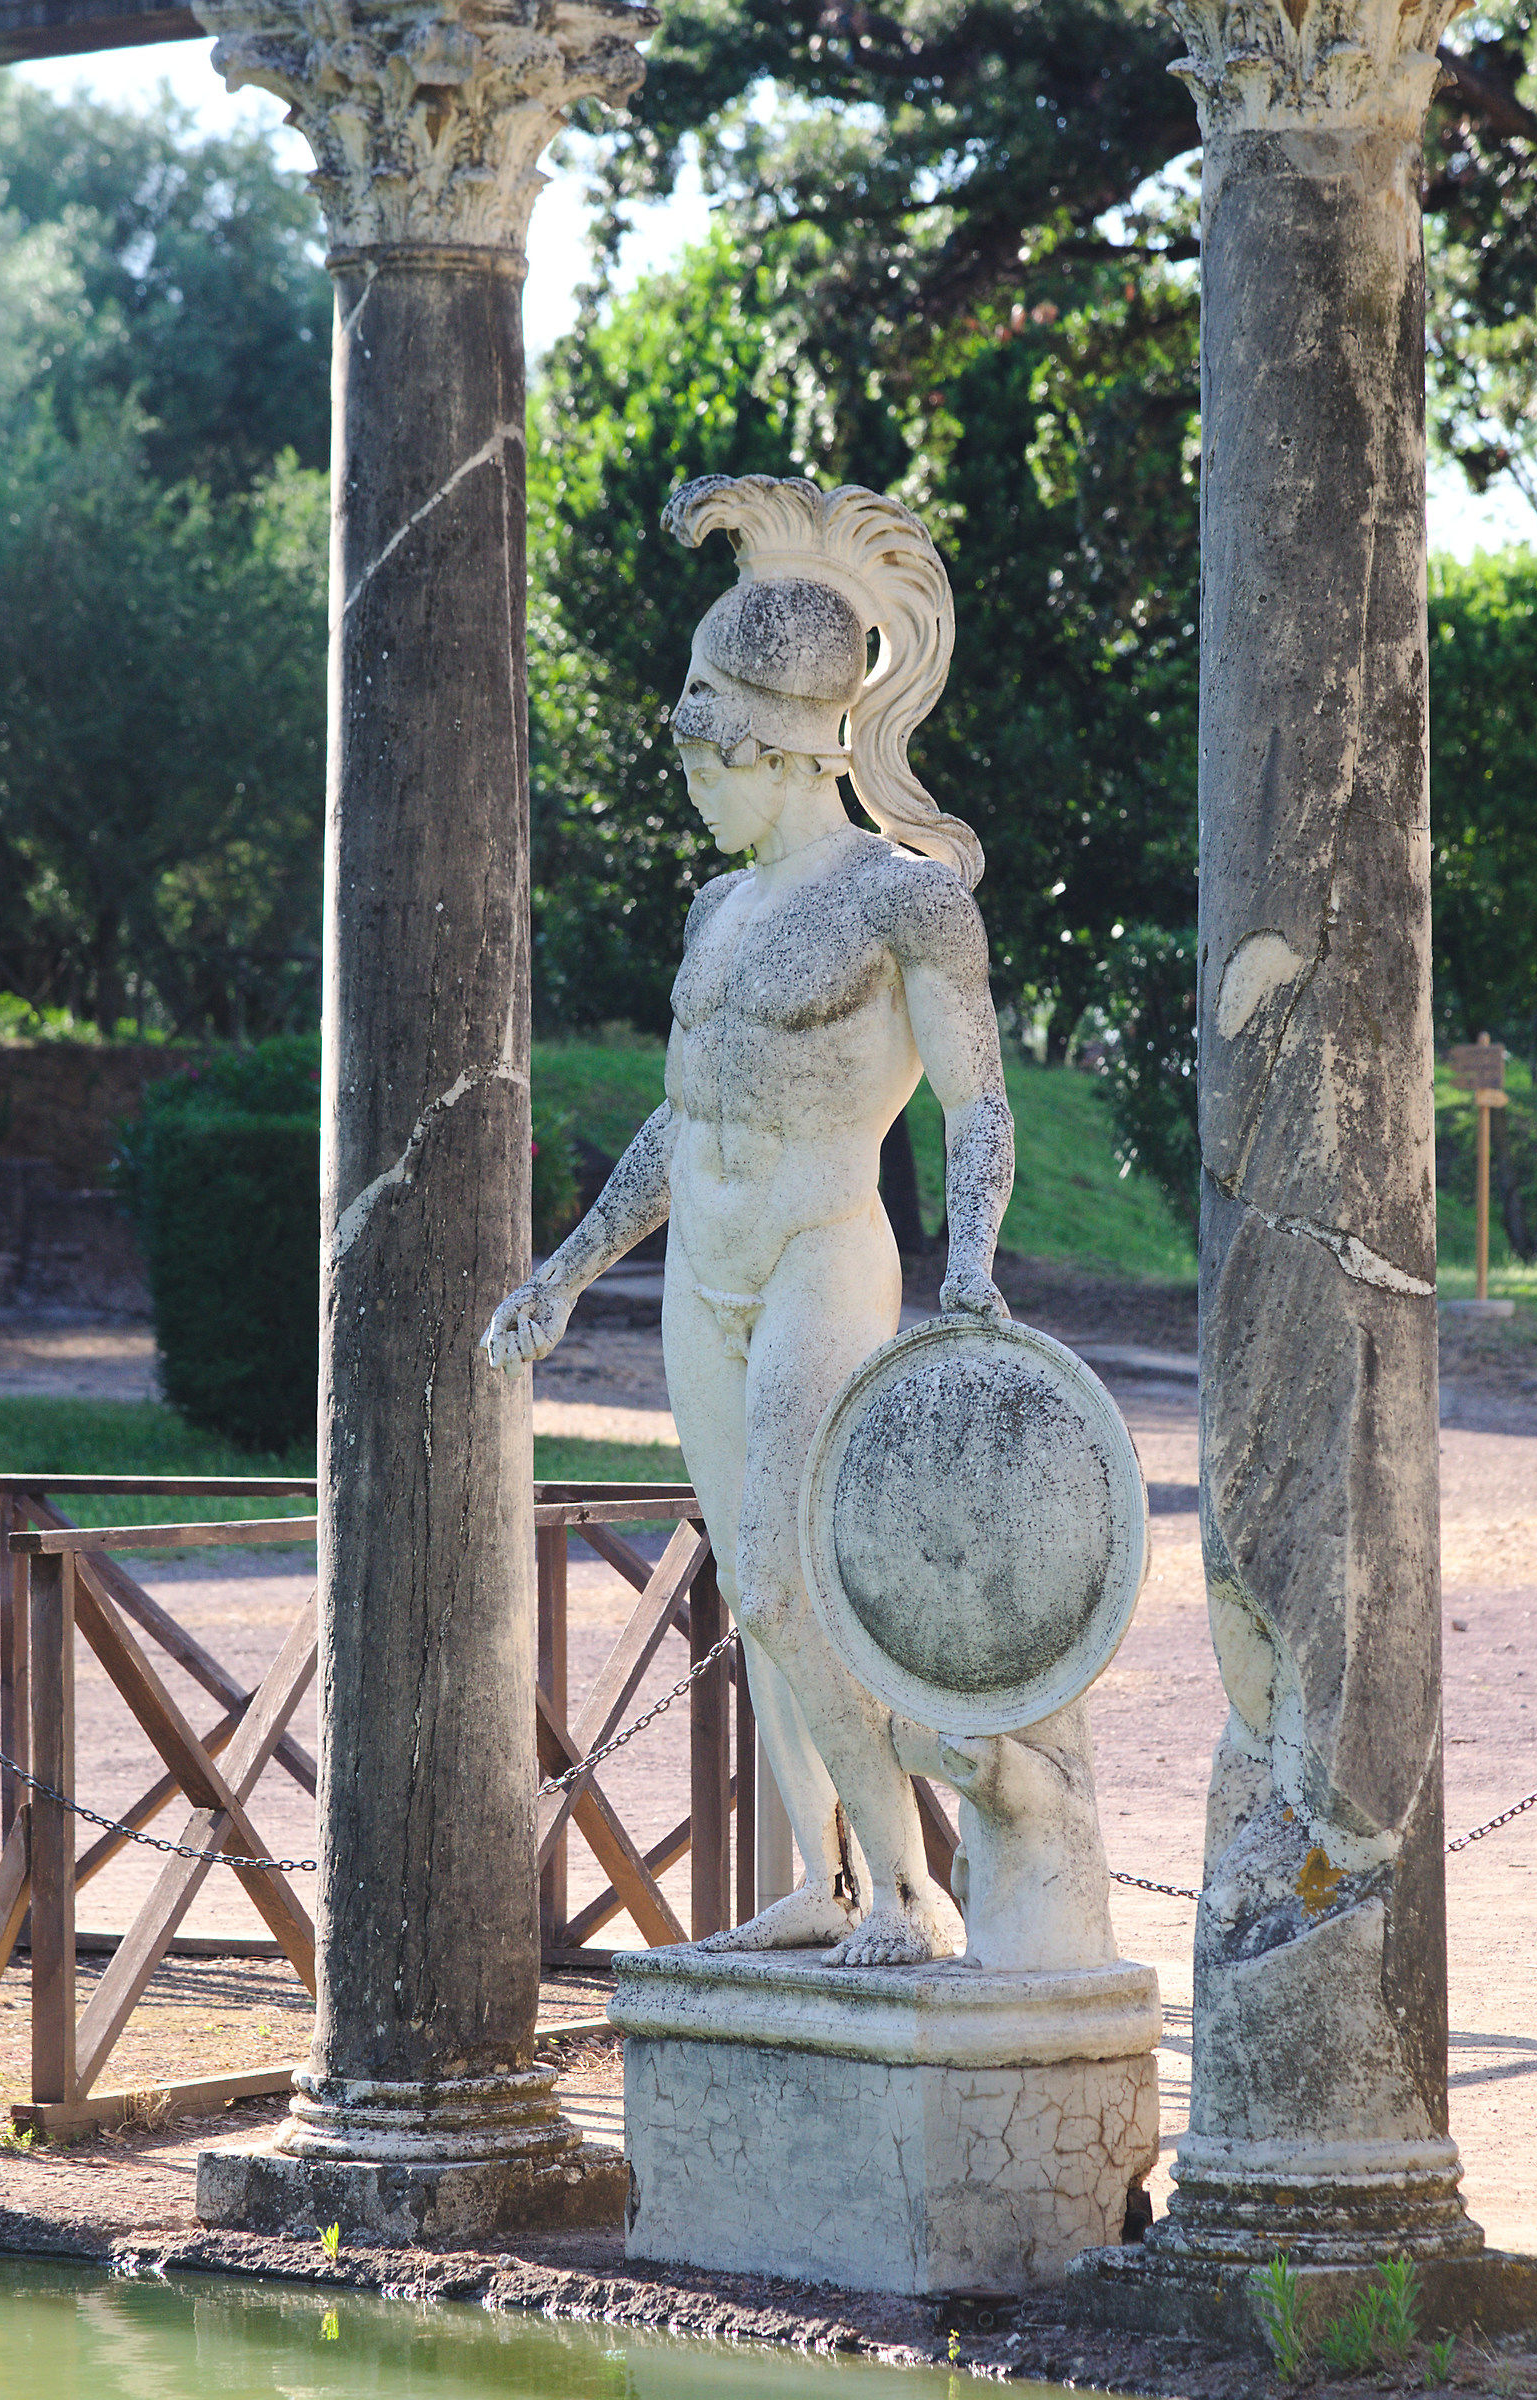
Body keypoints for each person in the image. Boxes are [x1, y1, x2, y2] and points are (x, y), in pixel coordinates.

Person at [485, 475, 1016, 1967]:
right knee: (748, 1579)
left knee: (789, 1576)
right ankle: (819, 1880)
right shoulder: (717, 914)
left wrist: (970, 1262)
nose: (690, 783)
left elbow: (974, 1106)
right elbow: (686, 1121)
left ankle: (913, 1894)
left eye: (704, 754)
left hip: (818, 1256)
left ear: (776, 746)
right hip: (701, 1273)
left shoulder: (905, 899)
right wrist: (571, 1270)